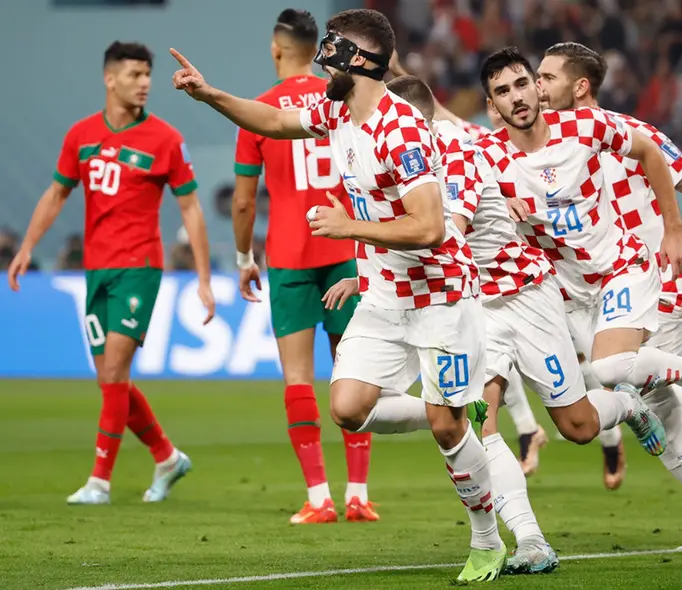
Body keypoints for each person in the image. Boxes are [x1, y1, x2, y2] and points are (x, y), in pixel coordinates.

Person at [170, 9, 506, 582]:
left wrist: (351, 230)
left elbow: (429, 227)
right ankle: (445, 410)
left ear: (359, 60)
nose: (322, 55)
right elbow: (274, 121)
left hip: (440, 295)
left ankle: (486, 538)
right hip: (384, 296)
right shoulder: (336, 110)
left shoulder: (398, 129)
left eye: (333, 46)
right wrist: (208, 95)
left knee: (450, 432)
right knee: (348, 409)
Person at [479, 47, 682, 564]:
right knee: (661, 415)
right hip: (571, 294)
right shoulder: (484, 156)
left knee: (610, 368)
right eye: (502, 92)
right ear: (492, 104)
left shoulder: (587, 126)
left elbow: (648, 152)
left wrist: (672, 227)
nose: (520, 96)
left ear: (538, 87)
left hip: (627, 267)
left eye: (527, 83)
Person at [7, 41, 216, 505]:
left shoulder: (165, 139)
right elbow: (57, 193)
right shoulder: (80, 135)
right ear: (110, 79)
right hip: (96, 271)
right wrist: (26, 247)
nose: (144, 83)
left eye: (147, 74)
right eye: (135, 74)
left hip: (139, 268)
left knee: (117, 368)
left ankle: (99, 482)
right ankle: (166, 456)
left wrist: (203, 279)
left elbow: (192, 209)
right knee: (110, 381)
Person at [385, 74, 562, 574]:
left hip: (514, 296)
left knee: (579, 423)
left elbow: (448, 233)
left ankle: (636, 401)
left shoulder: (453, 151)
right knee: (479, 423)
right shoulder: (408, 157)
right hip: (466, 299)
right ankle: (528, 539)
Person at [231, 9, 376, 525]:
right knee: (353, 371)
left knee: (297, 377)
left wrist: (245, 258)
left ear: (276, 49)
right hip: (343, 249)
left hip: (289, 254)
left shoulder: (260, 111)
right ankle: (358, 493)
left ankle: (319, 500)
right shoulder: (340, 100)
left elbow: (245, 201)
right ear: (316, 49)